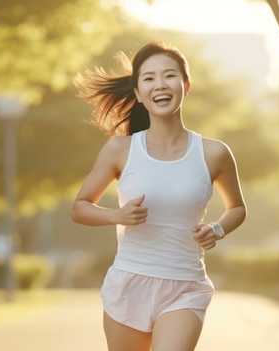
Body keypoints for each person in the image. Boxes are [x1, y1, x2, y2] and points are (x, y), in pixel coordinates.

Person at [71, 41, 247, 351]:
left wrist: (217, 228)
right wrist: (116, 215)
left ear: (186, 85)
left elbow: (237, 208)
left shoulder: (214, 152)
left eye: (169, 76)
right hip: (129, 283)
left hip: (185, 286)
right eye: (149, 78)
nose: (160, 85)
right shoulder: (120, 150)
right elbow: (80, 207)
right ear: (138, 93)